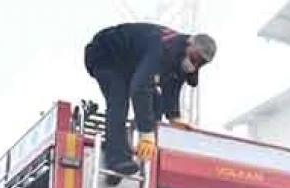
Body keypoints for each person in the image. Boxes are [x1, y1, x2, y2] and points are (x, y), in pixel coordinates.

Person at [83, 23, 217, 179]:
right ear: (189, 44)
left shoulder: (185, 60)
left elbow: (171, 86)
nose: (195, 63)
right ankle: (117, 159)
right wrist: (146, 132)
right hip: (106, 54)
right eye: (195, 58)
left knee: (155, 101)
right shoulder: (162, 49)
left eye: (201, 62)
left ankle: (142, 153)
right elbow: (139, 88)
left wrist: (174, 116)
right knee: (119, 99)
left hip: (132, 61)